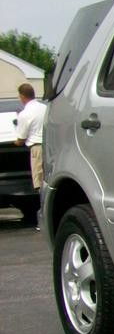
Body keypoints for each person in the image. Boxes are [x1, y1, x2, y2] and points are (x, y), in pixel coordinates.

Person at [13, 83, 47, 230]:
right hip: (50, 145)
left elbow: (20, 139)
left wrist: (15, 140)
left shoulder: (25, 114)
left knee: (40, 184)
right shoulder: (44, 108)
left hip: (37, 149)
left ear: (22, 96)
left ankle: (43, 219)